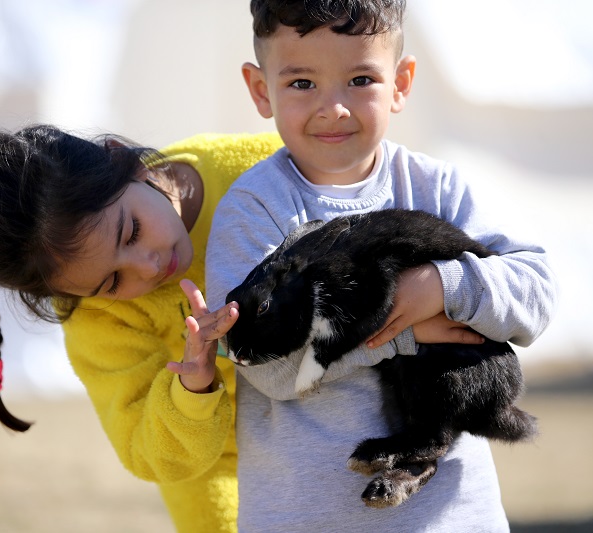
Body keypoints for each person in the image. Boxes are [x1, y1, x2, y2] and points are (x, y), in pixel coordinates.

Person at [205, 1, 558, 531]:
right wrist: (401, 328)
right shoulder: (254, 209)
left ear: (401, 81)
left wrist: (441, 283)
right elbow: (265, 369)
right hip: (307, 518)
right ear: (261, 90)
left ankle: (419, 457)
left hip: (453, 518)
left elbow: (535, 295)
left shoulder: (437, 188)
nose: (334, 108)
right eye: (302, 83)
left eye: (360, 79)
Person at [0, 124, 284, 533]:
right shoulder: (93, 316)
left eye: (131, 231)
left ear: (125, 161)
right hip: (220, 467)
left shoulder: (261, 168)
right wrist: (193, 391)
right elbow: (144, 447)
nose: (148, 266)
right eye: (112, 282)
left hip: (335, 410)